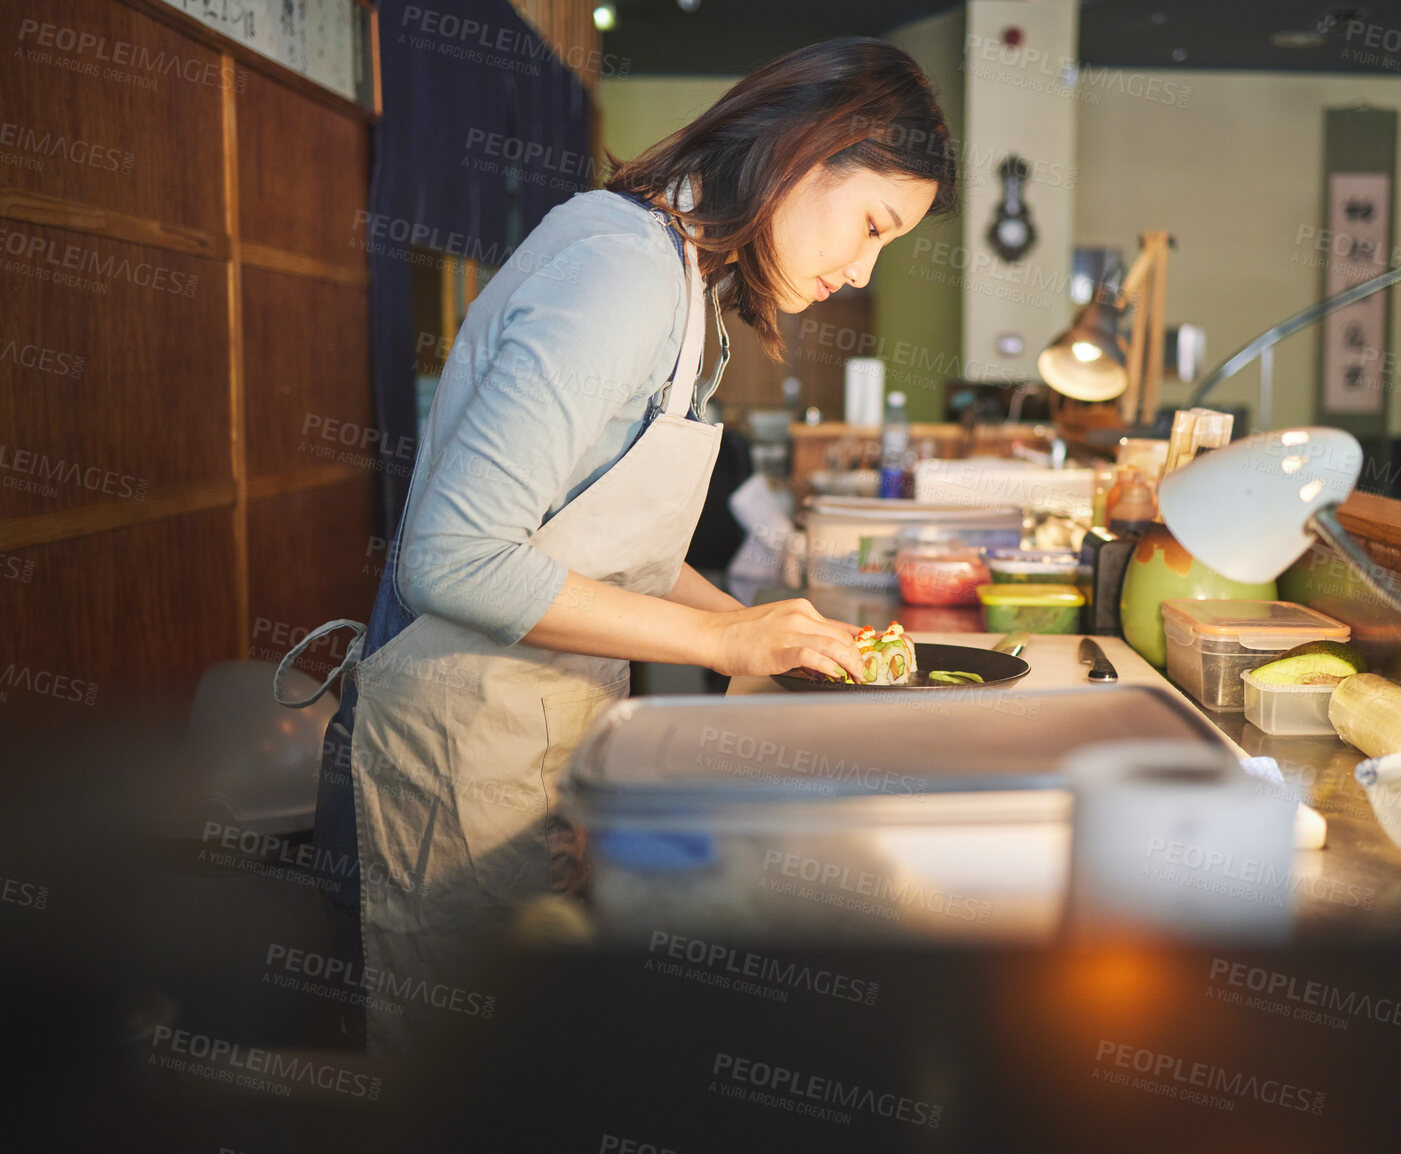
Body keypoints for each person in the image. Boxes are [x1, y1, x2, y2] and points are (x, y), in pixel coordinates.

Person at [273, 37, 956, 1052]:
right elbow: (455, 557)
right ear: (807, 153)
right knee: (454, 1101)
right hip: (442, 758)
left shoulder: (689, 298)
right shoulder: (620, 269)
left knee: (522, 1079)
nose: (861, 268)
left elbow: (607, 551)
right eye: (871, 225)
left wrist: (764, 626)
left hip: (530, 746)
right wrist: (728, 647)